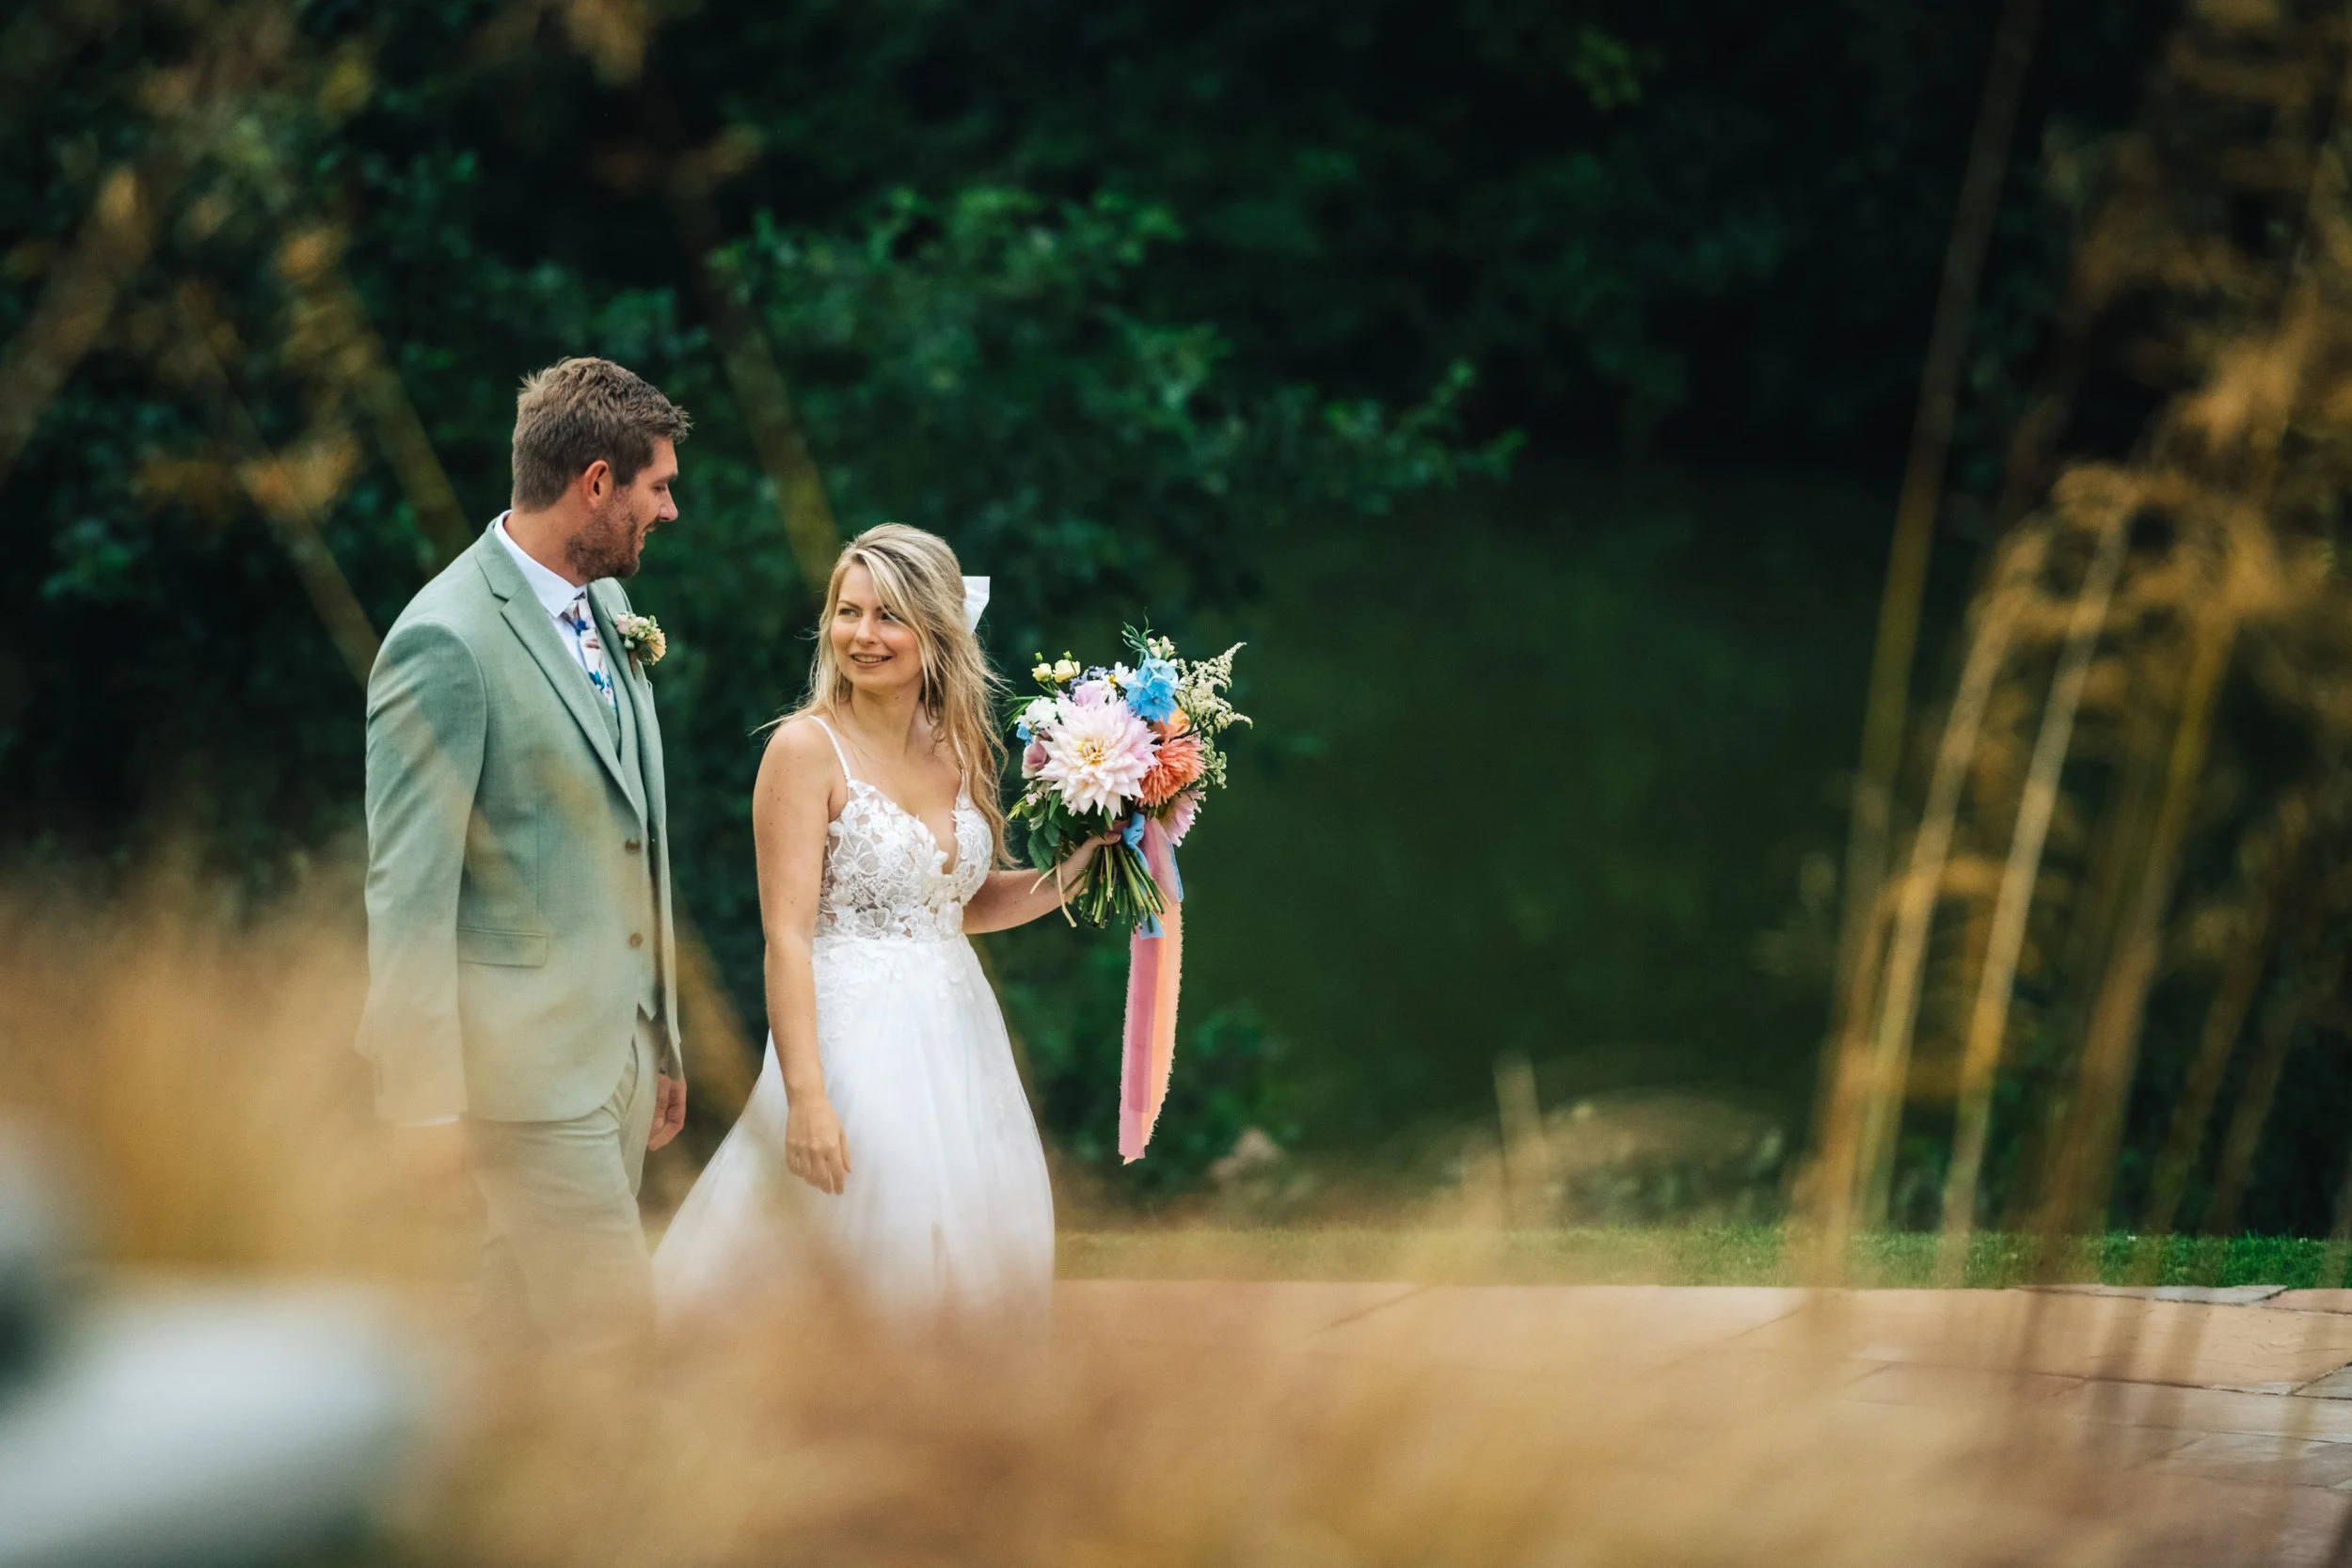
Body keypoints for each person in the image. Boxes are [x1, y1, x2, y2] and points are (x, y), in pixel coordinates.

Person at [654, 524, 1104, 1327]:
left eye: (889, 616)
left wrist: (1081, 865)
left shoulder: (960, 749)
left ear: (936, 632)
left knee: (971, 1243)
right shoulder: (803, 749)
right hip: (851, 1040)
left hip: (960, 1037)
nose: (863, 636)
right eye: (848, 611)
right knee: (867, 1251)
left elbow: (957, 902)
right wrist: (807, 1098)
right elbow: (786, 935)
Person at [357, 356, 691, 1354]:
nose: (668, 511)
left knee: (510, 1351)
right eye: (658, 486)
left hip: (617, 1063)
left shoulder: (612, 611)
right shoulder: (445, 641)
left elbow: (632, 826)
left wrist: (658, 1033)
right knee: (620, 1347)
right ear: (596, 481)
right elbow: (405, 888)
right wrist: (418, 1102)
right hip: (522, 1083)